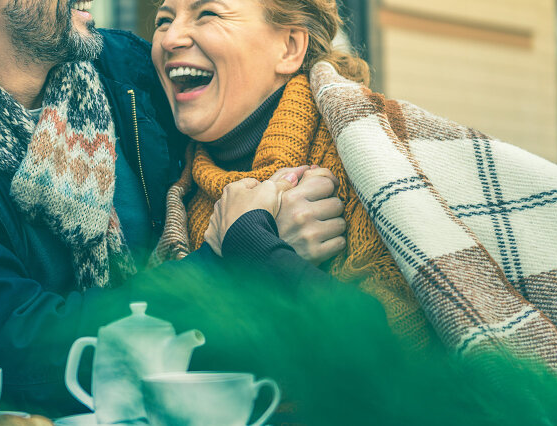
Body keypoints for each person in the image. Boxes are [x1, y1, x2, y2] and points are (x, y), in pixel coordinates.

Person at [0, 0, 348, 424]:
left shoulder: (126, 72)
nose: (172, 34)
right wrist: (232, 261)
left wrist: (290, 189)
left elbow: (251, 95)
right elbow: (14, 350)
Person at [150, 0, 439, 350]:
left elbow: (400, 361)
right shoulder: (162, 181)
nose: (170, 39)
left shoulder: (372, 164)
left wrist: (252, 247)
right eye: (163, 20)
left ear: (289, 48)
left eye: (208, 13)